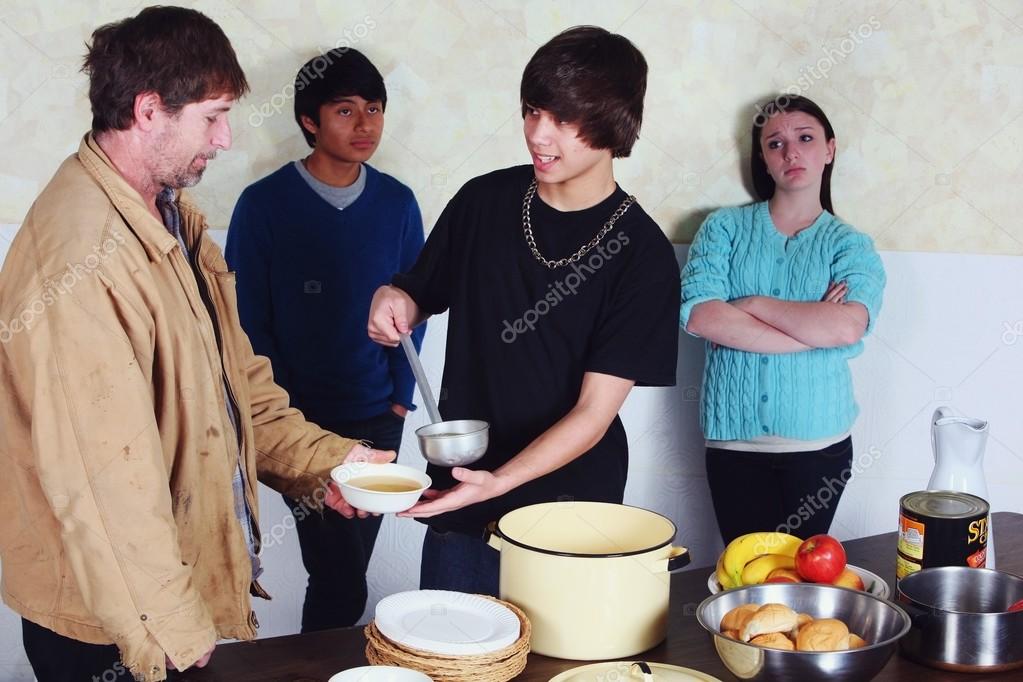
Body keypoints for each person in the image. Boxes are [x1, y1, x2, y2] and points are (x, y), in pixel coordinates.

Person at [0, 8, 390, 682]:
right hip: (117, 625)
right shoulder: (81, 257)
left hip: (162, 603)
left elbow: (235, 386)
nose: (227, 136)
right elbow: (104, 481)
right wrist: (174, 631)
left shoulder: (170, 216)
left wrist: (329, 461)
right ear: (149, 110)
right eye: (212, 116)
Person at [367, 26, 680, 596]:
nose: (538, 133)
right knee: (453, 664)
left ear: (616, 124)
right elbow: (417, 292)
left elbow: (594, 412)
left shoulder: (643, 254)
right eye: (533, 110)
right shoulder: (482, 201)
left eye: (563, 119)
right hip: (460, 499)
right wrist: (395, 299)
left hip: (572, 515)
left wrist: (499, 483)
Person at [226, 48, 425, 631]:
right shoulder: (264, 204)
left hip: (377, 417)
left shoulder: (398, 202)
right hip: (300, 428)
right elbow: (246, 324)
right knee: (338, 573)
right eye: (345, 110)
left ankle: (326, 664)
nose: (364, 125)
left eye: (374, 108)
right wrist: (282, 417)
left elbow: (418, 306)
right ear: (309, 120)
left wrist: (399, 399)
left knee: (344, 572)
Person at [679, 95, 886, 545]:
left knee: (804, 581)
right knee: (744, 579)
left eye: (805, 138)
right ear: (764, 161)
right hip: (733, 448)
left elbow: (848, 326)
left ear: (830, 149)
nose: (791, 152)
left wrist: (751, 303)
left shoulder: (850, 245)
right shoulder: (724, 228)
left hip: (820, 450)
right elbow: (701, 314)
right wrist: (812, 331)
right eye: (775, 144)